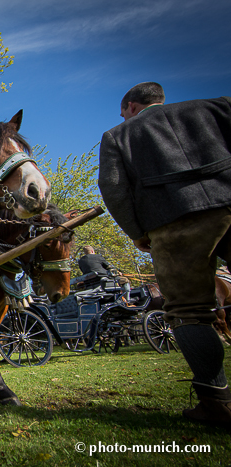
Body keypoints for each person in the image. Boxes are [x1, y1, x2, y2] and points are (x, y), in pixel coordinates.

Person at [98, 81, 231, 426]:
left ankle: (216, 402)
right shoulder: (216, 107)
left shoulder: (118, 136)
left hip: (174, 220)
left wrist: (137, 232)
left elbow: (113, 188)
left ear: (130, 107)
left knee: (189, 311)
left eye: (123, 113)